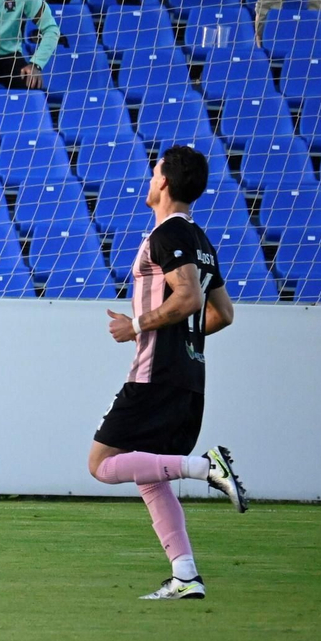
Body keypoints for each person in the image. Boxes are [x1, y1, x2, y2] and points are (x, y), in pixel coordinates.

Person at [88, 144, 248, 600]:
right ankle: (185, 575)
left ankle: (205, 468)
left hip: (155, 376)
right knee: (149, 476)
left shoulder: (168, 234)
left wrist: (137, 326)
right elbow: (224, 314)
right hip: (189, 378)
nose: (150, 178)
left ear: (163, 182)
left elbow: (190, 299)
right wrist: (178, 339)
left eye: (154, 172)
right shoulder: (202, 240)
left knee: (100, 464)